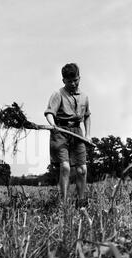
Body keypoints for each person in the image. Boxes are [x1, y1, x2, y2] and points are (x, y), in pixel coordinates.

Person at [44, 63, 91, 206]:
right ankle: (63, 204)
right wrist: (53, 125)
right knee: (65, 167)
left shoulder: (84, 96)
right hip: (61, 132)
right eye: (69, 81)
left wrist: (88, 134)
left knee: (82, 169)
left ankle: (80, 202)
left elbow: (87, 116)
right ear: (63, 80)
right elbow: (49, 113)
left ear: (79, 78)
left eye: (75, 80)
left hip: (77, 133)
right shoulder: (58, 94)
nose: (73, 83)